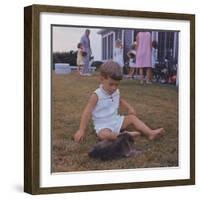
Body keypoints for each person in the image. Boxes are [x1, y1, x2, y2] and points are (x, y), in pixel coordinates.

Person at [74, 61, 164, 142]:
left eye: (116, 85)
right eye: (111, 84)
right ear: (102, 79)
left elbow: (120, 100)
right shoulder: (96, 95)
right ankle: (125, 135)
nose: (114, 88)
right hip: (103, 125)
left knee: (132, 118)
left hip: (116, 120)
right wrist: (81, 130)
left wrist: (130, 108)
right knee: (102, 135)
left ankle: (150, 133)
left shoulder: (116, 91)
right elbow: (87, 112)